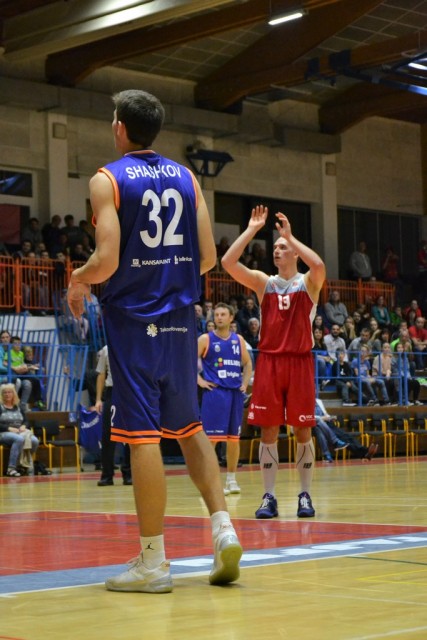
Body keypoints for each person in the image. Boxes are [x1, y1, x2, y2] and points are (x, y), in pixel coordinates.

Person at [67, 89, 242, 592]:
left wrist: (78, 278)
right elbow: (208, 256)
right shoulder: (187, 178)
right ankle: (223, 528)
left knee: (142, 438)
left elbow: (105, 259)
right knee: (190, 428)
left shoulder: (108, 179)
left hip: (133, 321)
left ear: (120, 127)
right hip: (181, 321)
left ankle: (152, 562)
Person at [221, 204, 326, 519]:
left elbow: (319, 263)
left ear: (294, 253)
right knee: (268, 432)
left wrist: (291, 237)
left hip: (299, 362)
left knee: (302, 432)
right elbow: (228, 262)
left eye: (283, 248)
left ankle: (304, 495)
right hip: (269, 362)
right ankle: (269, 497)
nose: (277, 251)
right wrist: (252, 230)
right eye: (276, 248)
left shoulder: (308, 283)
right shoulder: (263, 282)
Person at [197, 303, 252, 495]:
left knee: (233, 439)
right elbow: (187, 361)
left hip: (235, 394)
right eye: (216, 314)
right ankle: (211, 482)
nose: (219, 317)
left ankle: (231, 479)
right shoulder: (205, 339)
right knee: (211, 440)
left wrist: (245, 383)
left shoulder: (239, 340)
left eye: (223, 314)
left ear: (231, 318)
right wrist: (200, 381)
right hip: (215, 394)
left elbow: (247, 363)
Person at [94, 345, 132, 487]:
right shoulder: (107, 349)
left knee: (130, 435)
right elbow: (101, 374)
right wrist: (98, 399)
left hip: (131, 393)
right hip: (112, 391)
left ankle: (128, 474)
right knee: (108, 435)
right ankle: (107, 475)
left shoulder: (135, 345)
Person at [0, 383, 39, 476]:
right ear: (2, 395)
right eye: (5, 393)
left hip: (20, 432)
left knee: (35, 441)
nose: (7, 394)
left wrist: (24, 426)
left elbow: (26, 420)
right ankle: (11, 468)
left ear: (13, 394)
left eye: (9, 392)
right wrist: (8, 428)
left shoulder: (19, 407)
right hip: (3, 433)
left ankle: (24, 464)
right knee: (19, 439)